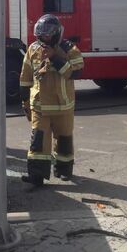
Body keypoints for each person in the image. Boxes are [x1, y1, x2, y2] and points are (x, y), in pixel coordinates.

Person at [19, 14, 84, 186]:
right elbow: (25, 77)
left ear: (56, 33)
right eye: (42, 34)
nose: (45, 37)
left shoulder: (68, 48)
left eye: (48, 34)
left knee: (63, 140)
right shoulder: (33, 49)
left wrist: (55, 57)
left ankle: (64, 171)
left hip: (63, 106)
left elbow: (76, 71)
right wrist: (25, 100)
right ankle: (36, 177)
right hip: (40, 106)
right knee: (38, 143)